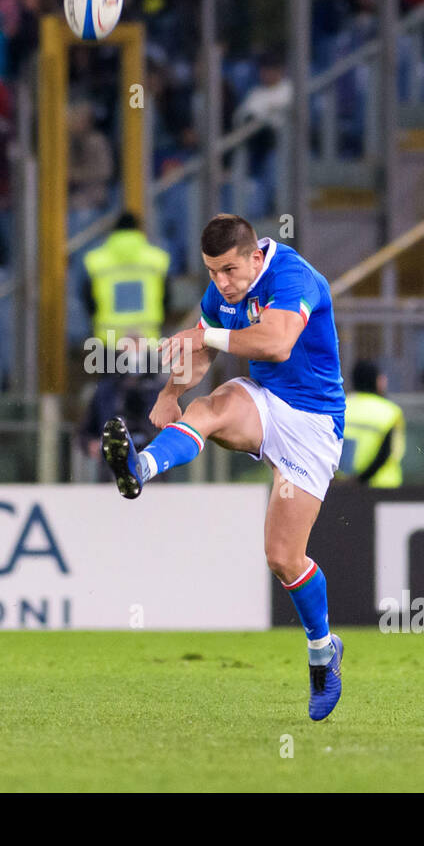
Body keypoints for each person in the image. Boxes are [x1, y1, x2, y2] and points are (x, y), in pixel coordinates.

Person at [101, 214, 346, 721]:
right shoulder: (223, 293)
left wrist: (206, 337)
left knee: (283, 557)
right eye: (212, 272)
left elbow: (275, 343)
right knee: (211, 407)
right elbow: (200, 345)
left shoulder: (294, 278)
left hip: (315, 425)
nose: (221, 283)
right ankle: (140, 466)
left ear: (256, 256)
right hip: (263, 402)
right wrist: (172, 394)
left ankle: (323, 652)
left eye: (230, 270)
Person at [82, 212, 169, 346]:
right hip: (147, 336)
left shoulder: (95, 260)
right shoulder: (157, 259)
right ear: (139, 229)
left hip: (109, 337)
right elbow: (166, 297)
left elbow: (88, 298)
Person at [340, 360, 404, 487]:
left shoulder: (341, 407)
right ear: (377, 380)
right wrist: (362, 479)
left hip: (342, 487)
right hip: (383, 487)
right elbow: (390, 452)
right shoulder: (390, 411)